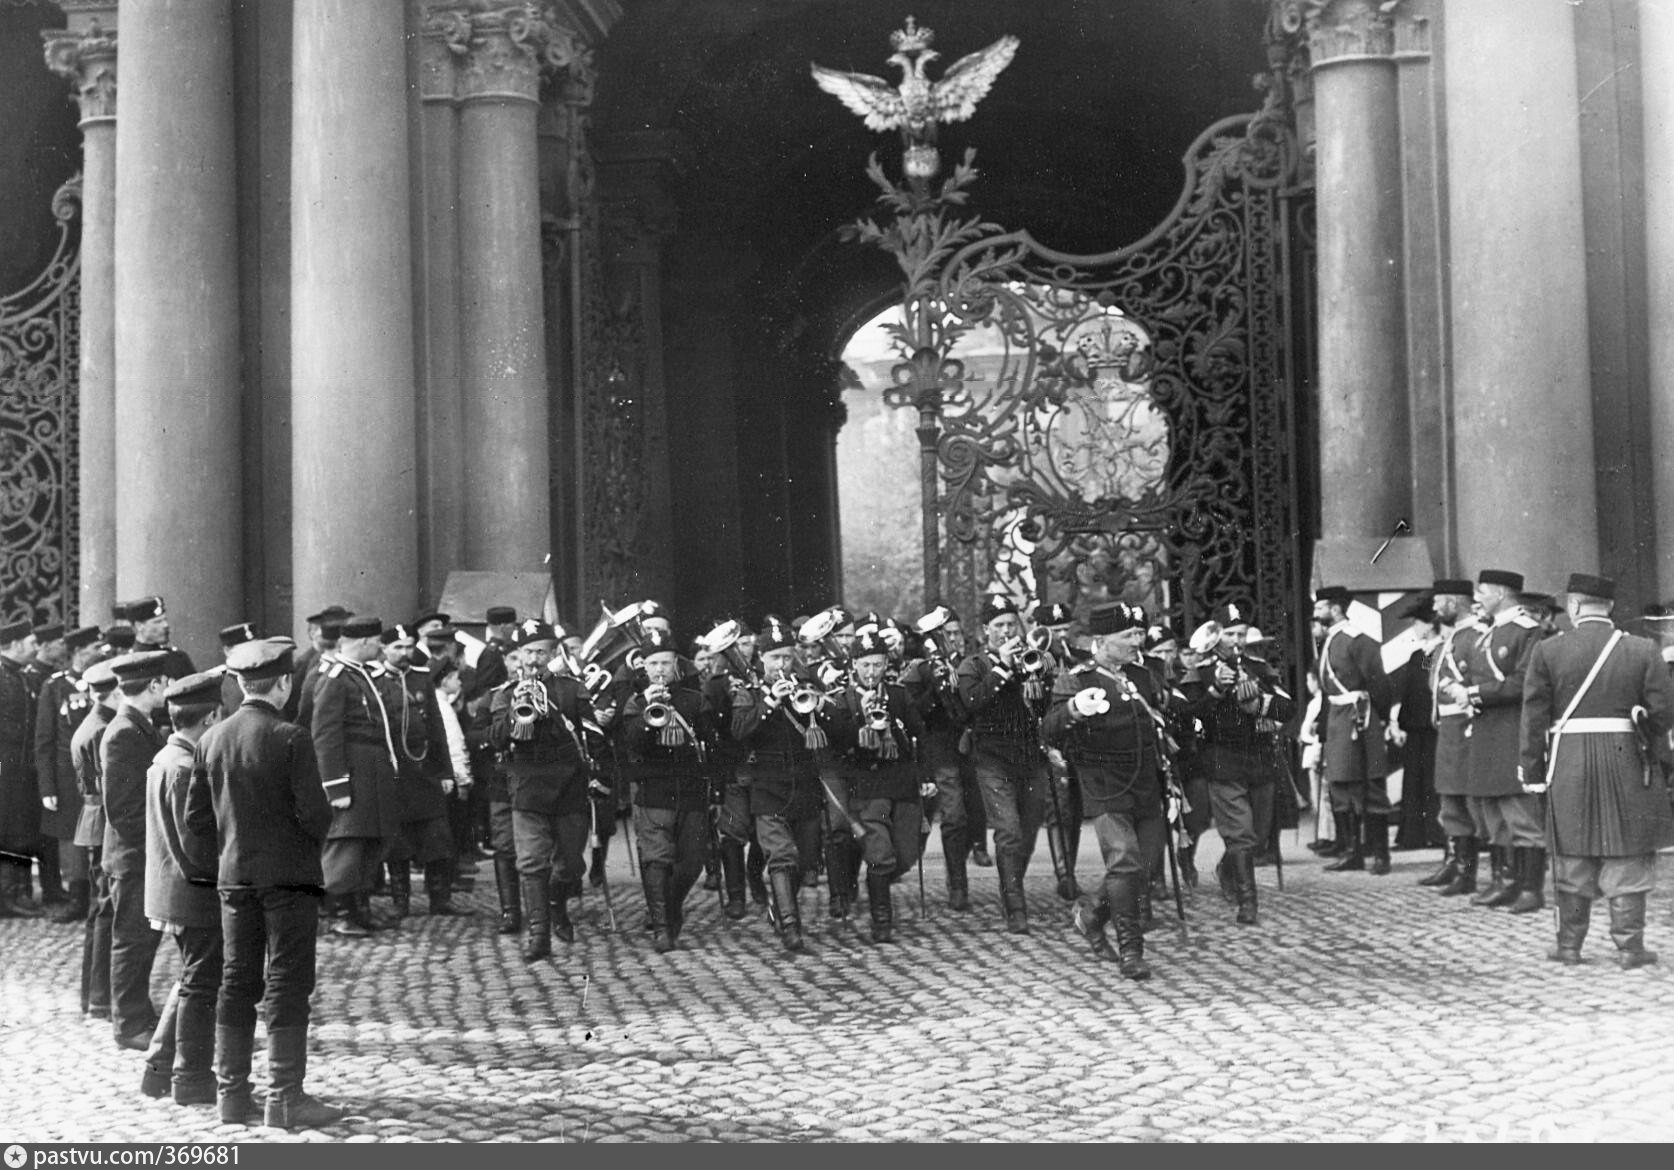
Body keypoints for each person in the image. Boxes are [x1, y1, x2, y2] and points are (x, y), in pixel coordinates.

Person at [184, 637, 342, 1129]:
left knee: (236, 981)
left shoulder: (211, 739)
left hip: (235, 879)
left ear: (241, 684)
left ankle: (232, 1096)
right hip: (290, 880)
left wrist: (233, 850)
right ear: (284, 683)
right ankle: (285, 1097)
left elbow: (196, 821)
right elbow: (316, 816)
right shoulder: (291, 737)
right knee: (288, 982)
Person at [1520, 574, 1674, 968]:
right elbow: (1662, 713)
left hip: (1568, 759)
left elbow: (1533, 719)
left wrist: (1533, 771)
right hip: (1626, 759)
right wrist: (1657, 759)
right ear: (1609, 608)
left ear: (1573, 606)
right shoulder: (1642, 649)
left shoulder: (1548, 650)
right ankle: (1630, 948)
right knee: (1628, 851)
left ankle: (1569, 946)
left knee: (1571, 850)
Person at [1042, 602, 1166, 980]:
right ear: (1100, 640)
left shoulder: (1143, 676)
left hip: (1143, 778)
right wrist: (1074, 711)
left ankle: (1093, 913)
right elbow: (1048, 729)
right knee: (1125, 859)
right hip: (1103, 779)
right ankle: (1132, 951)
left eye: (1139, 633)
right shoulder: (1076, 679)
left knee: (1143, 867)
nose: (1137, 640)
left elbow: (1159, 724)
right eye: (1127, 635)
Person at [138, 671, 224, 1105]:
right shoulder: (185, 766)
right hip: (193, 893)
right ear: (210, 716)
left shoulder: (168, 757)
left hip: (175, 890)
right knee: (199, 983)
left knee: (193, 978)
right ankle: (188, 1079)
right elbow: (195, 845)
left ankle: (158, 1069)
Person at [1178, 604, 1294, 925]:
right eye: (1229, 634)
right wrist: (1215, 690)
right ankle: (1247, 903)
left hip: (1259, 759)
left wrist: (1260, 703)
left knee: (1256, 834)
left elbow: (1288, 708)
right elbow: (1188, 715)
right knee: (1240, 833)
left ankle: (1227, 869)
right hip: (1222, 759)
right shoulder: (1199, 672)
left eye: (1241, 634)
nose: (1236, 641)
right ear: (1215, 636)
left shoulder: (1260, 668)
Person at [490, 620, 597, 958]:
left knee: (570, 865)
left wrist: (602, 776)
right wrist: (513, 712)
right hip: (528, 785)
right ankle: (539, 936)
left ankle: (557, 905)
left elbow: (591, 732)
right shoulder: (506, 694)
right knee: (532, 861)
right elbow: (494, 738)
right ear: (517, 656)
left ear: (552, 654)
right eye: (527, 653)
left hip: (569, 785)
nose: (533, 659)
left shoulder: (570, 689)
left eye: (540, 652)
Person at [732, 616, 838, 955]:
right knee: (781, 855)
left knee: (805, 858)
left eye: (787, 657)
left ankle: (780, 906)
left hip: (805, 782)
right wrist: (768, 703)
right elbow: (739, 731)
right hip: (767, 784)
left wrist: (821, 705)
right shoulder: (748, 693)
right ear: (761, 660)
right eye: (775, 658)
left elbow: (835, 730)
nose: (782, 664)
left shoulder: (808, 686)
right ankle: (791, 927)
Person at [957, 595, 1051, 934]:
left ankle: (1011, 885)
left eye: (1012, 624)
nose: (1007, 630)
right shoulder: (974, 665)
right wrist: (1003, 668)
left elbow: (1047, 707)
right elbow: (971, 702)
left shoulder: (1034, 660)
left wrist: (1039, 674)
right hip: (992, 758)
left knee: (1027, 833)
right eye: (999, 626)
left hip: (1029, 757)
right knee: (1008, 831)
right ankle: (1015, 905)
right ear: (986, 631)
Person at [619, 626, 716, 952]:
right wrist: (648, 717)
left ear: (676, 664)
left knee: (692, 862)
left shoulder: (694, 700)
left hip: (689, 789)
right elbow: (631, 744)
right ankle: (662, 928)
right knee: (657, 858)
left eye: (665, 663)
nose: (660, 670)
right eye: (653, 664)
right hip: (654, 788)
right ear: (644, 667)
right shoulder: (635, 702)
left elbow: (710, 745)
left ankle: (669, 907)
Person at [1456, 569, 1547, 912]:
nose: (1478, 598)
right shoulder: (1486, 634)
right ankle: (1504, 881)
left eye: (1483, 592)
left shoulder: (1528, 632)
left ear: (1501, 593)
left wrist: (1474, 693)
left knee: (1520, 814)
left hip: (1511, 731)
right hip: (1486, 731)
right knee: (1493, 813)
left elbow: (1524, 682)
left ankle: (1530, 888)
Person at [831, 627, 930, 943]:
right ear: (854, 667)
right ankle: (881, 920)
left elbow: (919, 735)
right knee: (880, 852)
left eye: (877, 665)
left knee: (906, 853)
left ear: (887, 665)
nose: (871, 672)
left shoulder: (899, 696)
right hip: (866, 786)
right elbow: (839, 744)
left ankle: (878, 887)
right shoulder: (843, 700)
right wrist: (862, 719)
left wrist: (894, 726)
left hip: (900, 783)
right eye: (865, 665)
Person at [311, 615, 401, 938]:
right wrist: (336, 785)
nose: (380, 647)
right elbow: (325, 734)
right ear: (363, 643)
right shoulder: (335, 678)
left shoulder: (360, 675)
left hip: (372, 773)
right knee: (347, 844)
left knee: (369, 843)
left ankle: (360, 908)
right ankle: (340, 912)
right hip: (353, 773)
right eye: (377, 642)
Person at [377, 624, 461, 917]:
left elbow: (436, 728)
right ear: (383, 649)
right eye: (398, 647)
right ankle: (401, 902)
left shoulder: (422, 678)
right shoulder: (375, 681)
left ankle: (440, 898)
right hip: (395, 771)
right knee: (398, 842)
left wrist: (446, 772)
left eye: (409, 646)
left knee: (437, 837)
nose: (405, 653)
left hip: (424, 769)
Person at [1311, 585, 1395, 874]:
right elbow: (1326, 690)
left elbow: (1379, 683)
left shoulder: (1357, 641)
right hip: (1337, 719)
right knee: (1340, 785)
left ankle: (1381, 854)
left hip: (1360, 717)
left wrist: (1379, 719)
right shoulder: (1330, 641)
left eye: (1320, 607)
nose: (1315, 613)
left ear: (1335, 609)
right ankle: (1351, 852)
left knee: (1370, 785)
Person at [1418, 580, 1488, 894]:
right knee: (1450, 799)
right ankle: (1456, 864)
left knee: (1466, 799)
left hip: (1466, 728)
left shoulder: (1474, 636)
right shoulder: (1455, 636)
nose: (1434, 608)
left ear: (1455, 601)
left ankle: (1467, 872)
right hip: (1449, 729)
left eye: (1438, 601)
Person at [904, 605, 975, 911]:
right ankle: (957, 883)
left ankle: (958, 869)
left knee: (975, 816)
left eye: (957, 633)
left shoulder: (974, 663)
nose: (954, 639)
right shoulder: (921, 669)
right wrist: (935, 686)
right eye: (947, 635)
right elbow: (913, 714)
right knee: (954, 814)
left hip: (973, 748)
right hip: (942, 749)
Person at [71, 658, 120, 1019]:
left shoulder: (93, 723)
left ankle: (94, 995)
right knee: (106, 912)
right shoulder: (103, 729)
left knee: (99, 911)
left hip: (93, 821)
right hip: (104, 821)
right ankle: (101, 997)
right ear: (115, 690)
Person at [0, 619, 43, 917]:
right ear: (15, 645)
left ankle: (16, 893)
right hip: (5, 767)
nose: (36, 648)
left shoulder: (19, 675)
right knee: (8, 828)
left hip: (20, 768)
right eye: (31, 643)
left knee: (19, 826)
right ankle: (8, 896)